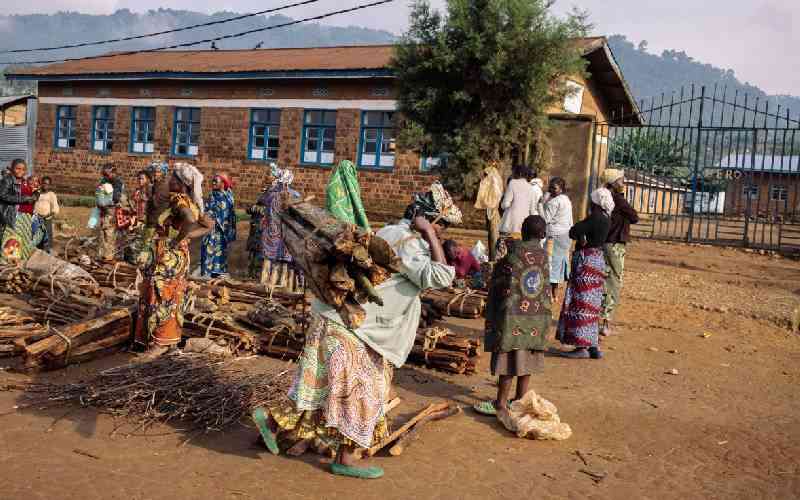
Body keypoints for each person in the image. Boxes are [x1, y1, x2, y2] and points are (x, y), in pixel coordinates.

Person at [251, 181, 459, 480]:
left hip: (337, 318)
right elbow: (440, 277)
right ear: (428, 218)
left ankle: (271, 424)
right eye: (443, 227)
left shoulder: (390, 232)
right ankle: (345, 458)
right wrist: (427, 231)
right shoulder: (410, 242)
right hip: (356, 327)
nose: (443, 234)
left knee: (323, 385)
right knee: (365, 391)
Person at [474, 215, 551, 418]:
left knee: (507, 360)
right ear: (543, 235)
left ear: (523, 232)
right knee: (527, 360)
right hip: (536, 316)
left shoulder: (513, 254)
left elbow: (499, 282)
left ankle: (500, 403)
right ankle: (519, 400)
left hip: (512, 317)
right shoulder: (544, 256)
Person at [134, 163, 211, 358]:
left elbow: (189, 221)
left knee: (161, 295)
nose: (170, 181)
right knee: (172, 296)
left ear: (181, 183)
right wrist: (186, 239)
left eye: (174, 179)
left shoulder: (179, 200)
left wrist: (176, 241)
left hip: (168, 257)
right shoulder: (190, 201)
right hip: (178, 257)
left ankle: (159, 343)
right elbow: (208, 225)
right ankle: (167, 341)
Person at [556, 188, 613, 360]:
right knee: (593, 304)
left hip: (586, 262)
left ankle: (581, 346)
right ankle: (593, 345)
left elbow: (573, 231)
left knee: (581, 303)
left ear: (594, 202)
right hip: (597, 261)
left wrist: (581, 236)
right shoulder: (606, 218)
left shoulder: (594, 218)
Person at [600, 168, 638, 337]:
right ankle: (606, 323)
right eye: (621, 181)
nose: (624, 184)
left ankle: (599, 319)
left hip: (604, 242)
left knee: (604, 279)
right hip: (615, 244)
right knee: (613, 282)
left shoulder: (602, 197)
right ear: (614, 183)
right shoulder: (618, 200)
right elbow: (634, 217)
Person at [260, 163, 302, 291]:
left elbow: (266, 210)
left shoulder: (270, 194)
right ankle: (282, 285)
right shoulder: (294, 195)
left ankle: (265, 283)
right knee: (282, 261)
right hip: (285, 232)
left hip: (270, 232)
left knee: (269, 258)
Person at [0, 159, 41, 264]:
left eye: (23, 169)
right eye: (17, 168)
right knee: (12, 238)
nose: (20, 171)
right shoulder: (7, 180)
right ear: (12, 168)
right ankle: (8, 262)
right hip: (13, 214)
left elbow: (34, 191)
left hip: (26, 215)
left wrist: (36, 195)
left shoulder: (24, 180)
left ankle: (20, 262)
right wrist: (24, 199)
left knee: (23, 238)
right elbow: (2, 195)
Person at [497, 163, 540, 260]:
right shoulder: (531, 189)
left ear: (519, 173)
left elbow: (504, 205)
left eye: (514, 172)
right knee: (517, 256)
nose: (512, 174)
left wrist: (509, 205)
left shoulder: (512, 183)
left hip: (508, 226)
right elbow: (532, 211)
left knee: (502, 256)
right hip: (523, 229)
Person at [541, 177, 573, 301]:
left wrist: (542, 203)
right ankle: (555, 294)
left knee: (551, 264)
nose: (551, 190)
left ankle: (549, 294)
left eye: (554, 188)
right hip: (566, 235)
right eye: (550, 187)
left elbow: (545, 219)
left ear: (561, 189)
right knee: (559, 263)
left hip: (554, 235)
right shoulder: (566, 200)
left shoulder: (554, 202)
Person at [200, 172, 237, 278]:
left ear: (223, 183)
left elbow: (226, 213)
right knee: (207, 249)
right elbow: (207, 210)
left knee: (219, 251)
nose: (213, 183)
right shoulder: (212, 195)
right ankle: (207, 273)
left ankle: (217, 273)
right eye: (213, 181)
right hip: (209, 229)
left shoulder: (227, 197)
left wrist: (209, 215)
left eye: (216, 181)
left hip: (220, 231)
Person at [474, 162, 504, 262]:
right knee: (491, 237)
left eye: (486, 174)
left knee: (494, 237)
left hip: (494, 213)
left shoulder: (495, 182)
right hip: (491, 212)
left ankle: (494, 261)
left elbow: (494, 199)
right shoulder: (493, 182)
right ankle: (493, 259)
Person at [96, 164, 125, 263]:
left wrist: (105, 197)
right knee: (102, 232)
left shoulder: (118, 182)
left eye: (107, 174)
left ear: (113, 173)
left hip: (112, 211)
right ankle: (101, 254)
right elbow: (98, 192)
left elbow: (116, 197)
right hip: (103, 210)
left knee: (110, 233)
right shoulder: (104, 181)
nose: (105, 176)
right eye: (103, 174)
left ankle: (109, 256)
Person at [245, 187, 268, 280]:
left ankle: (251, 273)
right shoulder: (264, 209)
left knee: (255, 254)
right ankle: (254, 274)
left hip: (257, 234)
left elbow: (248, 210)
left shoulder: (256, 208)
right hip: (258, 235)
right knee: (257, 254)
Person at [33, 176, 60, 253]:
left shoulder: (51, 195)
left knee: (47, 235)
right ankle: (37, 250)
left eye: (48, 184)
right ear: (41, 183)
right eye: (44, 183)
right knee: (36, 234)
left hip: (46, 218)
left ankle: (47, 251)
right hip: (36, 218)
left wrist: (47, 215)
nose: (45, 185)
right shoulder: (37, 193)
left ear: (50, 185)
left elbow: (55, 208)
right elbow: (32, 203)